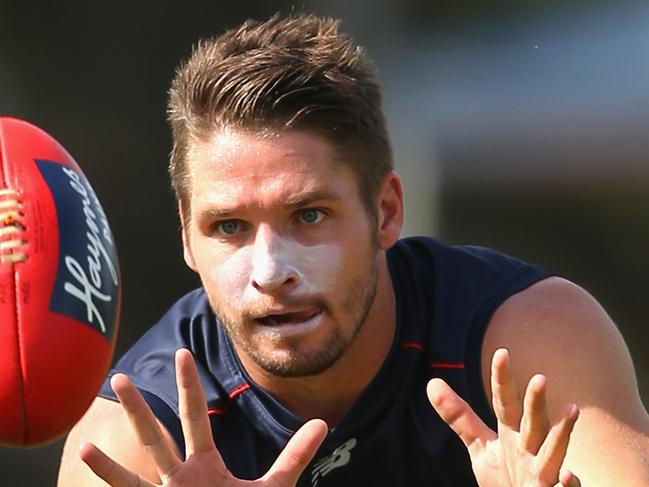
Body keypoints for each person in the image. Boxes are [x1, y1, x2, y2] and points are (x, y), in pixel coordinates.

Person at [57, 13, 649, 487]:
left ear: (386, 212)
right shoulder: (136, 443)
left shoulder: (530, 346)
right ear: (187, 235)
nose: (269, 271)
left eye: (309, 215)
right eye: (230, 227)